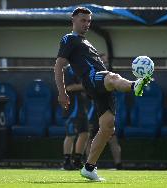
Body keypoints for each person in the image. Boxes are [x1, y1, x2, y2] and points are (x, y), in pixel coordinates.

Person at [54, 7, 152, 181]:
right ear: (73, 20)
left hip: (101, 87)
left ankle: (89, 168)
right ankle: (134, 85)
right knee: (113, 77)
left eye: (89, 21)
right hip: (92, 79)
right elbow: (58, 66)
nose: (86, 24)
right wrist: (62, 92)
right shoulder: (69, 39)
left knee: (107, 127)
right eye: (83, 20)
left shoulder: (87, 42)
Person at [62, 65, 89, 170]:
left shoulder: (84, 68)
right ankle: (67, 161)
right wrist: (86, 85)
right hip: (72, 109)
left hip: (82, 108)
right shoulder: (68, 70)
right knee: (71, 135)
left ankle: (77, 160)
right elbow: (68, 87)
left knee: (85, 133)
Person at [86, 100, 122, 170]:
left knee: (112, 138)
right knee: (89, 139)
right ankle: (90, 164)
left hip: (104, 111)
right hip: (96, 112)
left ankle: (118, 164)